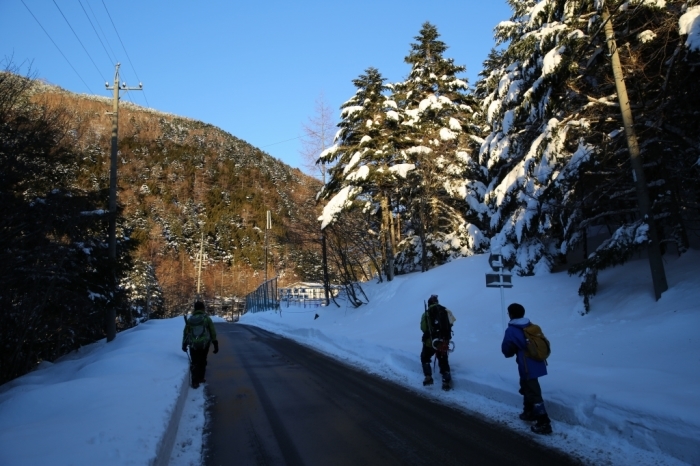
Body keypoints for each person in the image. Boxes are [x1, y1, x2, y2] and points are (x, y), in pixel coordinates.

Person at [501, 303, 552, 434]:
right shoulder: (530, 325)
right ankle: (529, 412)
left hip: (526, 364)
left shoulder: (512, 330)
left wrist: (511, 350)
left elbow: (507, 350)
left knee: (533, 390)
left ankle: (544, 422)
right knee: (525, 385)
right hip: (537, 361)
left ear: (511, 314)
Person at [420, 294, 455, 391]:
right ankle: (446, 381)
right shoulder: (446, 311)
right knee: (443, 359)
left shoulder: (426, 313)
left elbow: (423, 327)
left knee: (425, 357)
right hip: (444, 340)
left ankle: (428, 377)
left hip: (431, 341)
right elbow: (452, 322)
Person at [182, 301, 219, 389]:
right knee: (203, 360)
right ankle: (201, 378)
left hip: (193, 344)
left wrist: (184, 343)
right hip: (204, 344)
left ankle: (195, 382)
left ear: (195, 309)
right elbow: (212, 331)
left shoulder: (191, 319)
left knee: (194, 362)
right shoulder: (206, 318)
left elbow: (186, 332)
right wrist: (215, 343)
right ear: (203, 308)